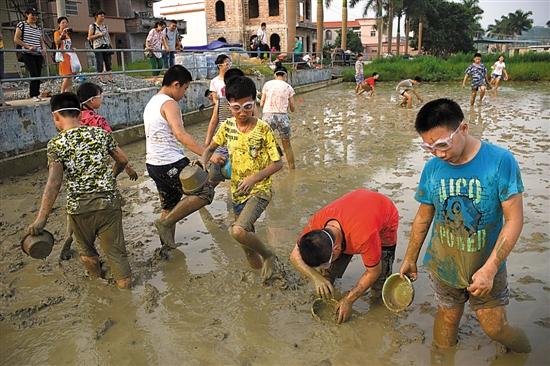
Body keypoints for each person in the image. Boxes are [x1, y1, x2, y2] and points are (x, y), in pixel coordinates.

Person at [399, 98, 531, 353]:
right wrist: (410, 257)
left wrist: (491, 269)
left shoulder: (501, 161)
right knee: (446, 323)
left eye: (442, 144)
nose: (437, 153)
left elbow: (514, 219)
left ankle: (525, 353)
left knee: (496, 328)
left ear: (463, 129)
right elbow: (424, 215)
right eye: (429, 147)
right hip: (444, 264)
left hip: (485, 263)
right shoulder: (433, 168)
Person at [27, 92, 132, 289]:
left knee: (87, 254)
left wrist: (41, 218)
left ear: (56, 117)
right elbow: (123, 160)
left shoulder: (56, 144)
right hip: (108, 204)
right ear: (79, 114)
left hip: (79, 208)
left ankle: (98, 286)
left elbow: (54, 183)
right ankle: (125, 291)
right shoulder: (100, 134)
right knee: (117, 255)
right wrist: (109, 177)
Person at [201, 76, 283, 280]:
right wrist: (206, 160)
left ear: (254, 102)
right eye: (236, 107)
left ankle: (269, 255)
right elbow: (210, 148)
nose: (242, 113)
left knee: (237, 231)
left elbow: (278, 163)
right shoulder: (227, 126)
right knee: (246, 245)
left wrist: (254, 178)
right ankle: (260, 278)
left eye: (247, 106)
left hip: (259, 190)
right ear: (229, 105)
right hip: (237, 192)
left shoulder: (263, 129)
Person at [290, 189, 399, 324]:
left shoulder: (365, 236)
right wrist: (316, 278)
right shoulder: (317, 225)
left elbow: (374, 271)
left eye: (327, 262)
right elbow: (294, 256)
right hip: (354, 206)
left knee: (379, 288)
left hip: (385, 215)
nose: (323, 268)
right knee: (326, 276)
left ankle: (379, 307)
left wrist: (349, 300)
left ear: (336, 249)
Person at [145, 65, 224, 250]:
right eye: (185, 88)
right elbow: (180, 135)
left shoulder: (152, 102)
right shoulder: (169, 103)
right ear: (176, 84)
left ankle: (167, 248)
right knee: (205, 192)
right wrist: (208, 154)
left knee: (169, 206)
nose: (184, 93)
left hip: (153, 164)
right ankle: (164, 225)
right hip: (169, 162)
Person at [260, 64, 296, 169]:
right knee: (287, 145)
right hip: (283, 118)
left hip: (267, 116)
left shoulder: (267, 84)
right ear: (285, 76)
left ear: (275, 75)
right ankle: (292, 169)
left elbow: (261, 104)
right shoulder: (289, 87)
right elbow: (292, 108)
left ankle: (265, 169)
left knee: (264, 143)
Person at [14, 7, 47, 101]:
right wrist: (28, 47)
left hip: (38, 53)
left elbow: (41, 40)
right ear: (27, 15)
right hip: (27, 53)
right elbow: (16, 39)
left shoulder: (38, 27)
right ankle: (33, 95)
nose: (34, 17)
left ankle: (37, 93)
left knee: (38, 74)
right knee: (34, 73)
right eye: (32, 14)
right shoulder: (22, 24)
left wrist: (44, 48)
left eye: (36, 15)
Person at [87, 10, 114, 85]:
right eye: (101, 15)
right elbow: (89, 37)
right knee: (100, 62)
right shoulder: (92, 26)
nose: (103, 17)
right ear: (96, 16)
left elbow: (108, 36)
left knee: (108, 62)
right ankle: (101, 78)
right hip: (98, 46)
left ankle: (111, 78)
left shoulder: (105, 26)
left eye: (103, 16)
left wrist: (111, 46)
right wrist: (99, 35)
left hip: (106, 46)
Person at [54, 17, 75, 93]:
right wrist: (62, 34)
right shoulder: (57, 33)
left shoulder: (67, 35)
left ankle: (68, 92)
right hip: (63, 57)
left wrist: (72, 48)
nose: (65, 24)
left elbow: (68, 45)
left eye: (66, 23)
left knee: (70, 77)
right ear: (59, 24)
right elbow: (57, 42)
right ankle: (62, 92)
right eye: (63, 23)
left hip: (69, 56)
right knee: (67, 76)